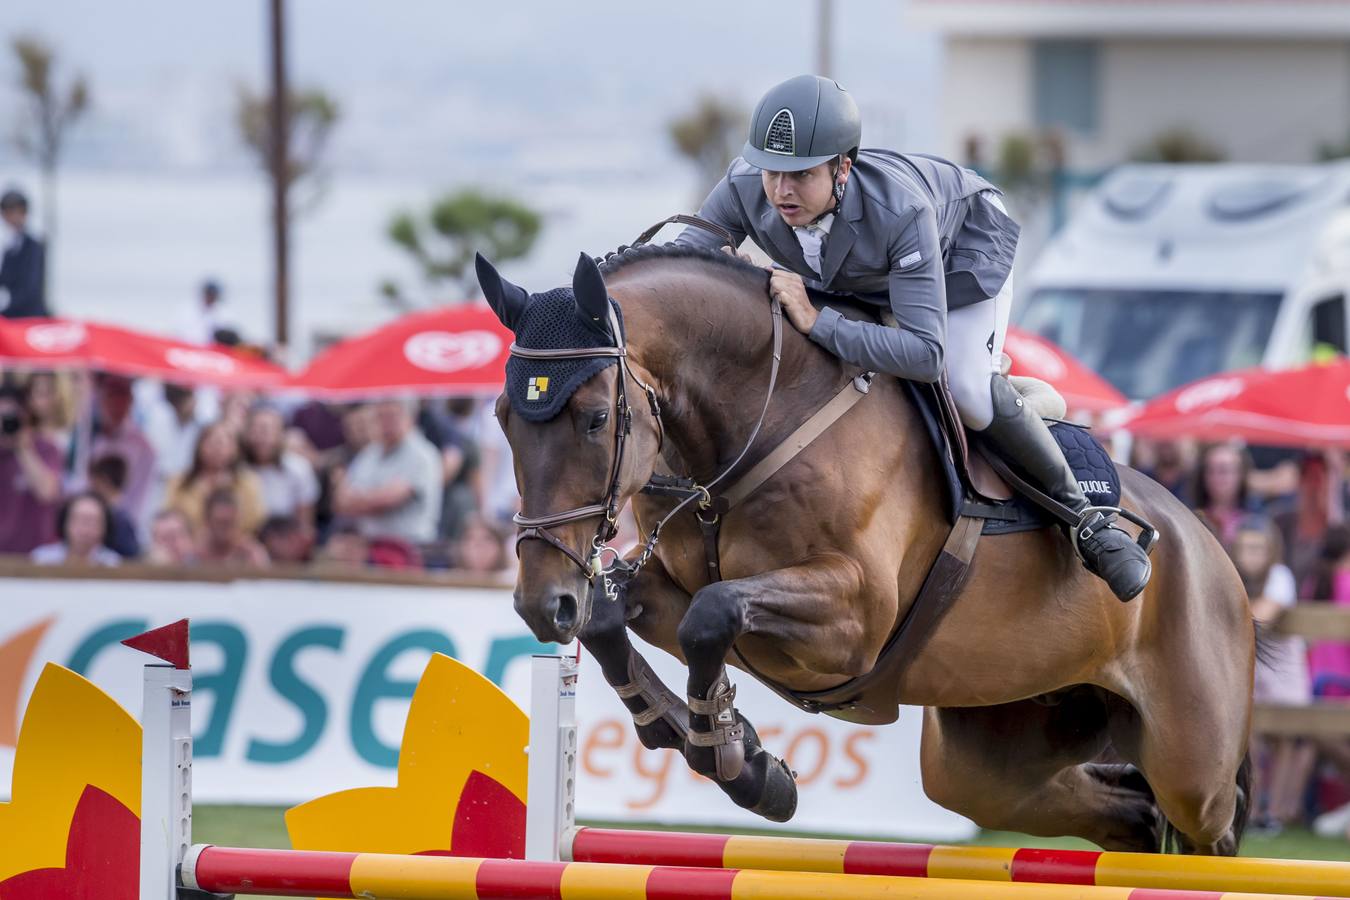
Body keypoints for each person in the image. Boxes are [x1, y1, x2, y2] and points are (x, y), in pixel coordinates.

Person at [675, 75, 1151, 601]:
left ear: (842, 168)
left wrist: (817, 322)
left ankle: (1087, 521)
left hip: (961, 252)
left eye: (802, 175)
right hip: (861, 271)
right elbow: (681, 265)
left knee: (965, 387)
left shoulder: (902, 210)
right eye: (772, 173)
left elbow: (925, 355)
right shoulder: (745, 184)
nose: (781, 191)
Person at [1230, 515, 1313, 832]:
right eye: (1245, 547)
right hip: (1250, 668)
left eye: (1258, 548)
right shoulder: (1233, 572)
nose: (1251, 555)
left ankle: (1276, 812)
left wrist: (1226, 611)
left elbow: (1261, 614)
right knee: (1250, 742)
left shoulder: (1280, 576)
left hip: (1284, 670)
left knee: (1286, 741)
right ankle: (1251, 811)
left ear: (1271, 551)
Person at [334, 397, 442, 544]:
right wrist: (370, 500)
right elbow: (341, 502)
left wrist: (359, 501)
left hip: (411, 548)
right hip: (370, 547)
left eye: (391, 416)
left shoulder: (423, 455)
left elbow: (387, 501)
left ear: (410, 417)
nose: (385, 423)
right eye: (380, 416)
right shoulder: (369, 454)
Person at [163, 422, 266, 537]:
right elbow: (168, 517)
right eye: (211, 443)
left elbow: (256, 523)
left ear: (235, 449)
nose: (217, 449)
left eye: (223, 444)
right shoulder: (179, 482)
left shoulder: (248, 482)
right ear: (199, 446)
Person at [0, 382, 63, 555]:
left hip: (37, 556)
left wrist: (23, 448)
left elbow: (47, 492)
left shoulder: (46, 449)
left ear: (26, 415)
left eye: (12, 417)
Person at [90, 374, 156, 526]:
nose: (116, 403)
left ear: (130, 401)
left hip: (120, 525)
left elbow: (139, 499)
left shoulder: (143, 448)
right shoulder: (90, 435)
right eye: (111, 396)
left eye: (121, 397)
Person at [242, 404, 320, 528]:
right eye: (253, 430)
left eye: (265, 431)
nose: (260, 438)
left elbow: (305, 524)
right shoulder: (239, 469)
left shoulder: (299, 468)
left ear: (281, 434)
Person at [30, 492, 121, 567]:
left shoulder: (113, 564)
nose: (85, 529)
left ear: (105, 527)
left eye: (93, 521)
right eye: (80, 519)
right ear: (65, 522)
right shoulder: (42, 560)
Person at [1192, 442, 1257, 546]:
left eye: (1223, 471)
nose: (1216, 478)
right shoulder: (1193, 516)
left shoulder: (1256, 516)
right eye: (1210, 471)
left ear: (1241, 474)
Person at [0, 189, 48, 319]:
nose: (13, 217)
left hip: (30, 317)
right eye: (8, 212)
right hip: (12, 315)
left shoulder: (34, 247)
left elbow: (31, 290)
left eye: (17, 211)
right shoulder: (9, 246)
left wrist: (5, 311)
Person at [195, 488, 268, 566]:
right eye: (220, 523)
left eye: (230, 523)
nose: (225, 530)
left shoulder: (251, 554)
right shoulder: (195, 554)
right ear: (207, 521)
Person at [88, 454, 141, 558]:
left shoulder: (120, 520)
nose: (91, 486)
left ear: (104, 481)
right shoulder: (123, 514)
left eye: (94, 481)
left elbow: (129, 559)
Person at [178, 279, 225, 346]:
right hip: (189, 348)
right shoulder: (187, 311)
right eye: (209, 294)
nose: (210, 297)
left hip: (208, 351)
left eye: (213, 295)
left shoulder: (221, 315)